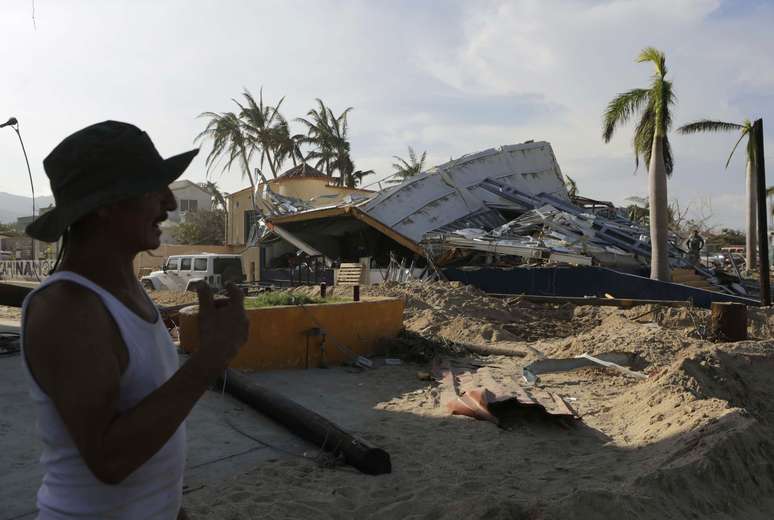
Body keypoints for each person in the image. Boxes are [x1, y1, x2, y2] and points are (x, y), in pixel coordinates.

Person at [21, 121, 249, 519]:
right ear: (107, 204)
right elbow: (109, 460)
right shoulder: (67, 308)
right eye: (152, 188)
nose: (170, 203)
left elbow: (150, 448)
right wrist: (210, 359)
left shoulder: (128, 289)